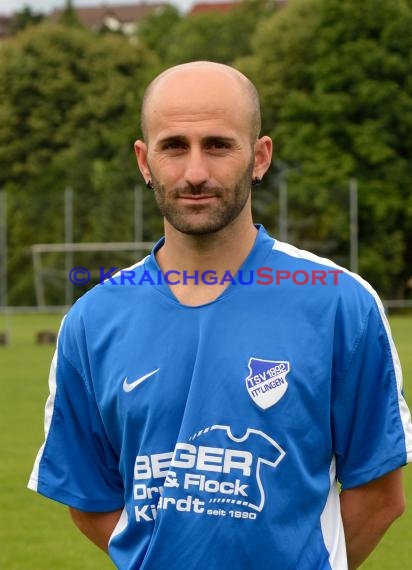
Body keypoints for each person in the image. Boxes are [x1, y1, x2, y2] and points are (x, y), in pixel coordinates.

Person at [29, 61, 412, 570]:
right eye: (173, 146)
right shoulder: (91, 321)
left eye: (217, 144)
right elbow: (89, 496)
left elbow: (380, 493)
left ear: (259, 157)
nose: (194, 173)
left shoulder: (339, 303)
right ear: (144, 162)